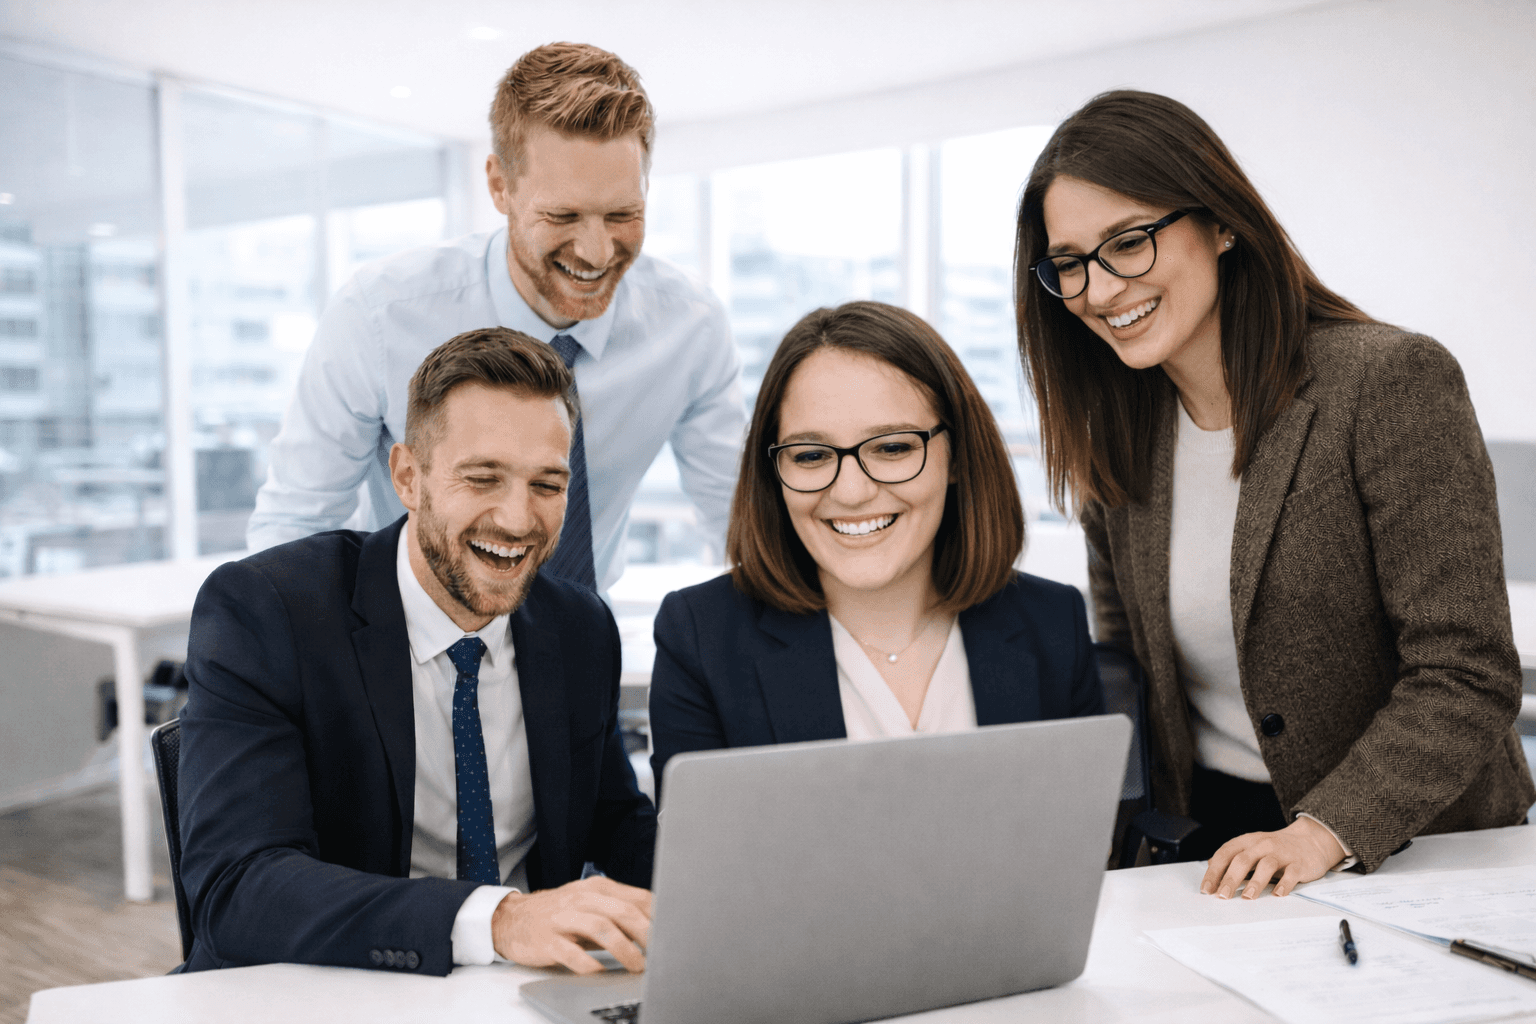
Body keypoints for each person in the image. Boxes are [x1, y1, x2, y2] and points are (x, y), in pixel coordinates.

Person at [1013, 90, 1533, 899]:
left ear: (1221, 224)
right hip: (1212, 847)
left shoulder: (1388, 383)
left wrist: (1326, 832)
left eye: (1129, 242)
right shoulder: (1116, 431)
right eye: (1071, 262)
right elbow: (1133, 675)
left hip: (1411, 850)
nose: (1100, 289)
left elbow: (1467, 669)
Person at [179, 328, 655, 976]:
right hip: (323, 990)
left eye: (547, 484)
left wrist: (741, 895)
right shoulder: (269, 612)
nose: (519, 519)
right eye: (483, 478)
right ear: (408, 476)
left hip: (517, 995)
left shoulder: (579, 627)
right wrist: (497, 919)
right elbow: (238, 890)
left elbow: (616, 824)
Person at [246, 42, 745, 593]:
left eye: (623, 214)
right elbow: (298, 523)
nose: (598, 252)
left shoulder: (691, 327)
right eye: (563, 215)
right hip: (407, 639)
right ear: (499, 186)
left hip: (577, 644)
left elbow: (742, 524)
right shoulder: (380, 316)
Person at [648, 301, 1104, 797]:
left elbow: (1078, 852)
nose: (851, 492)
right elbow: (704, 866)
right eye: (810, 455)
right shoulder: (701, 637)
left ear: (957, 457)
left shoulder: (1051, 624)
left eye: (891, 448)